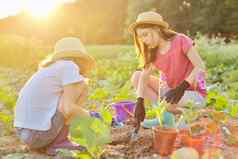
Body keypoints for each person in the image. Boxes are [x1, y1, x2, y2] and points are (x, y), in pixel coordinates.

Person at [14, 37, 97, 155]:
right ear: (81, 59)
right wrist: (93, 117)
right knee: (83, 85)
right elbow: (67, 107)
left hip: (24, 133)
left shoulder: (50, 68)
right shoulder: (69, 66)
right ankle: (59, 142)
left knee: (68, 93)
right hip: (38, 135)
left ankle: (50, 143)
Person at [128, 11, 207, 129]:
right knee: (137, 77)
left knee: (170, 111)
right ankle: (166, 117)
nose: (143, 40)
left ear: (157, 29)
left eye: (145, 35)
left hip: (194, 94)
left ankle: (194, 114)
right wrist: (140, 101)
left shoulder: (180, 40)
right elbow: (144, 77)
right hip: (171, 95)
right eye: (141, 37)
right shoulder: (153, 52)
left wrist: (183, 86)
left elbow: (200, 66)